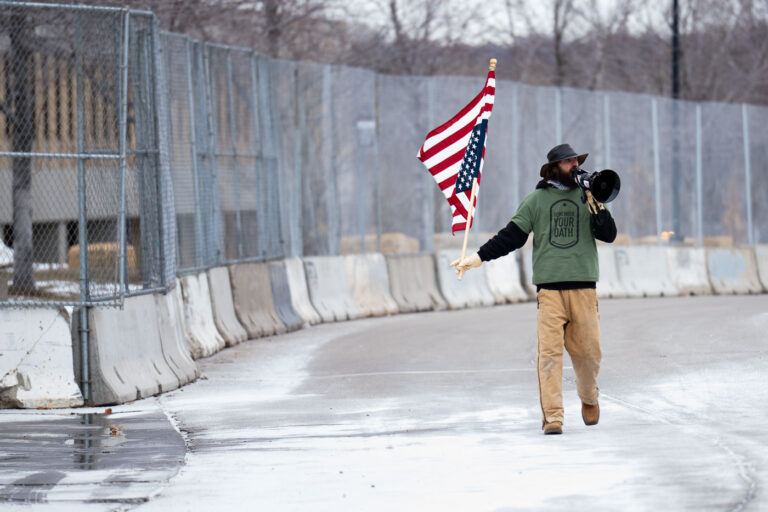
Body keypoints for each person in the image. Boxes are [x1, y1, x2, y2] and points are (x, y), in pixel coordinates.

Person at [451, 143, 617, 435]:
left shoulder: (589, 196)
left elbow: (609, 235)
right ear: (554, 168)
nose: (575, 166)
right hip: (550, 293)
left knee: (590, 355)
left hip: (584, 290)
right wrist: (478, 257)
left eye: (576, 161)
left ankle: (589, 398)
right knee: (549, 357)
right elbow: (511, 236)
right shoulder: (536, 200)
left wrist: (596, 205)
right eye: (568, 163)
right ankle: (553, 417)